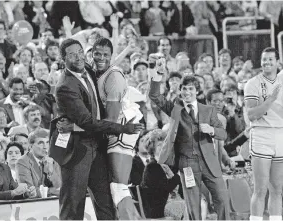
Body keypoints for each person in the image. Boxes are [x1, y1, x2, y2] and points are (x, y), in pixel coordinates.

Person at [51, 38, 144, 220]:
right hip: (77, 150)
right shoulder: (65, 86)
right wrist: (123, 128)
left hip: (97, 146)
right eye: (72, 54)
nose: (78, 57)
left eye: (79, 52)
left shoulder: (88, 68)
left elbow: (109, 61)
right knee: (73, 204)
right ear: (63, 58)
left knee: (105, 202)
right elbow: (88, 121)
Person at [149, 58, 230, 220]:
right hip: (187, 163)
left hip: (209, 163)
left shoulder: (208, 110)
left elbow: (223, 134)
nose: (187, 92)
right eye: (184, 89)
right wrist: (158, 73)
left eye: (190, 89)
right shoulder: (174, 109)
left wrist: (211, 130)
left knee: (222, 199)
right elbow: (155, 95)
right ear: (180, 91)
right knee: (193, 205)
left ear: (197, 91)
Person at [244, 47, 283, 221]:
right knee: (260, 189)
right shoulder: (252, 83)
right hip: (261, 135)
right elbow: (252, 114)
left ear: (277, 62)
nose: (266, 62)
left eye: (270, 59)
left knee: (277, 189)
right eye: (263, 59)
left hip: (280, 134)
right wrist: (270, 101)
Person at [16, 129, 61, 198]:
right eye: (41, 143)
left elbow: (59, 186)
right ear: (30, 146)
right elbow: (29, 191)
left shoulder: (53, 161)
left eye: (47, 142)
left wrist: (51, 171)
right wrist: (52, 191)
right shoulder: (22, 162)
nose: (45, 147)